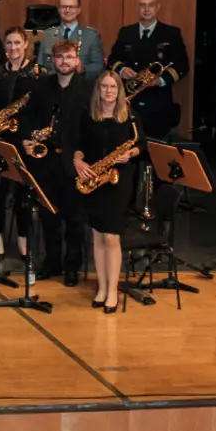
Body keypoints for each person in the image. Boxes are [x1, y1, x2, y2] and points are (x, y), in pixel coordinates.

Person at [72, 71, 141, 314]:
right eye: (104, 87)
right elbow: (79, 144)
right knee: (98, 236)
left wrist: (129, 154)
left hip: (118, 181)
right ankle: (101, 287)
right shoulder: (89, 115)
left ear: (119, 90)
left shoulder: (129, 116)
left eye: (113, 87)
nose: (108, 91)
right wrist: (78, 160)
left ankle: (113, 291)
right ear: (98, 89)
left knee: (112, 237)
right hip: (94, 179)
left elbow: (141, 145)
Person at [29, 39, 93, 286]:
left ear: (77, 60)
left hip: (75, 163)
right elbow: (28, 117)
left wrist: (81, 155)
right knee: (48, 216)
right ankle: (52, 262)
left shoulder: (88, 90)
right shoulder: (42, 86)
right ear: (53, 60)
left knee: (75, 218)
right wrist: (28, 138)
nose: (64, 62)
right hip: (46, 162)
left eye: (69, 57)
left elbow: (91, 129)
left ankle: (72, 266)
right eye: (59, 57)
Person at [0, 26, 45, 271]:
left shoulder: (37, 73)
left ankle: (23, 239)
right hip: (1, 138)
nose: (12, 48)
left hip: (25, 139)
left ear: (25, 44)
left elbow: (41, 109)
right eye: (8, 43)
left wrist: (28, 135)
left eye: (17, 43)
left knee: (23, 194)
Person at [108, 0, 189, 140]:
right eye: (142, 5)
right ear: (138, 8)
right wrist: (122, 70)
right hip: (130, 102)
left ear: (158, 8)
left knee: (155, 149)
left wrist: (160, 80)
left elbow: (182, 66)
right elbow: (113, 60)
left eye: (150, 5)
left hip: (158, 102)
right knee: (128, 145)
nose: (146, 9)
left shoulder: (171, 33)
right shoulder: (126, 33)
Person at [35, 0, 105, 80]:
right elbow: (40, 66)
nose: (67, 10)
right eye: (64, 7)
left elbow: (100, 67)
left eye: (71, 7)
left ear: (79, 10)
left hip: (80, 88)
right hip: (52, 88)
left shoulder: (91, 36)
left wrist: (83, 69)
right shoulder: (47, 35)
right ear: (59, 10)